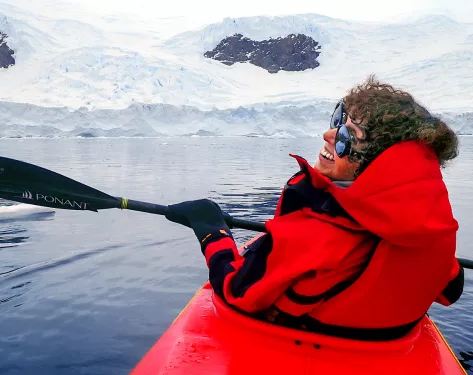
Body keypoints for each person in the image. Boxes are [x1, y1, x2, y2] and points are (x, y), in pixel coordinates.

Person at [165, 75, 464, 341]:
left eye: (348, 138)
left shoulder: (318, 235)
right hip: (391, 345)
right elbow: (451, 288)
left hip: (316, 344)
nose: (328, 135)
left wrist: (211, 230)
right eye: (338, 121)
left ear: (380, 164)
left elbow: (236, 292)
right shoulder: (436, 230)